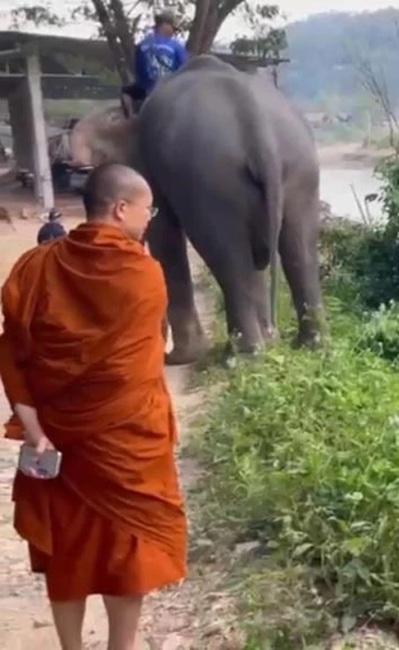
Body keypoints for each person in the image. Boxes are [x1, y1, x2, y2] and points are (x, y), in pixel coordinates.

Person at [0, 163, 186, 650]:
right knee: (129, 546)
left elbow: (14, 353)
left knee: (67, 548)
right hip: (126, 441)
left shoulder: (36, 267)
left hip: (55, 439)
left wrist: (34, 426)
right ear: (121, 208)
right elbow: (143, 363)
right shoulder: (144, 275)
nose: (150, 218)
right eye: (148, 209)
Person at [121, 11, 188, 115]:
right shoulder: (177, 47)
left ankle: (130, 117)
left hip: (146, 92)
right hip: (171, 91)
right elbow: (185, 70)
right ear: (165, 25)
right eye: (173, 28)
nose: (174, 33)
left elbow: (139, 72)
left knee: (125, 91)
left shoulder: (142, 45)